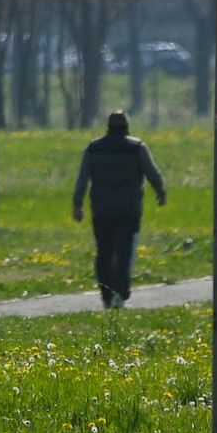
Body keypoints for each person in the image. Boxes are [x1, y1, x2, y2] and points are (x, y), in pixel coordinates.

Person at [70, 109, 168, 307]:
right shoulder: (136, 147)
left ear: (108, 126)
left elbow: (83, 178)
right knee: (124, 252)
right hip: (128, 210)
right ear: (127, 125)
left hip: (101, 209)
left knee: (103, 251)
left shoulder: (94, 148)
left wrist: (77, 204)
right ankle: (121, 292)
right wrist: (160, 191)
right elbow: (151, 172)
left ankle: (106, 294)